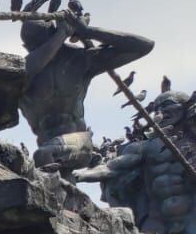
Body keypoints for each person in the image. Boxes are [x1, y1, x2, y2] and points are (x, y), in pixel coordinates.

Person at [20, 13, 153, 174]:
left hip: (79, 143)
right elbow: (28, 68)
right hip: (49, 149)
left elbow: (144, 46)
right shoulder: (22, 75)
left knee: (45, 154)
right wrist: (61, 35)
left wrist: (88, 31)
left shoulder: (77, 61)